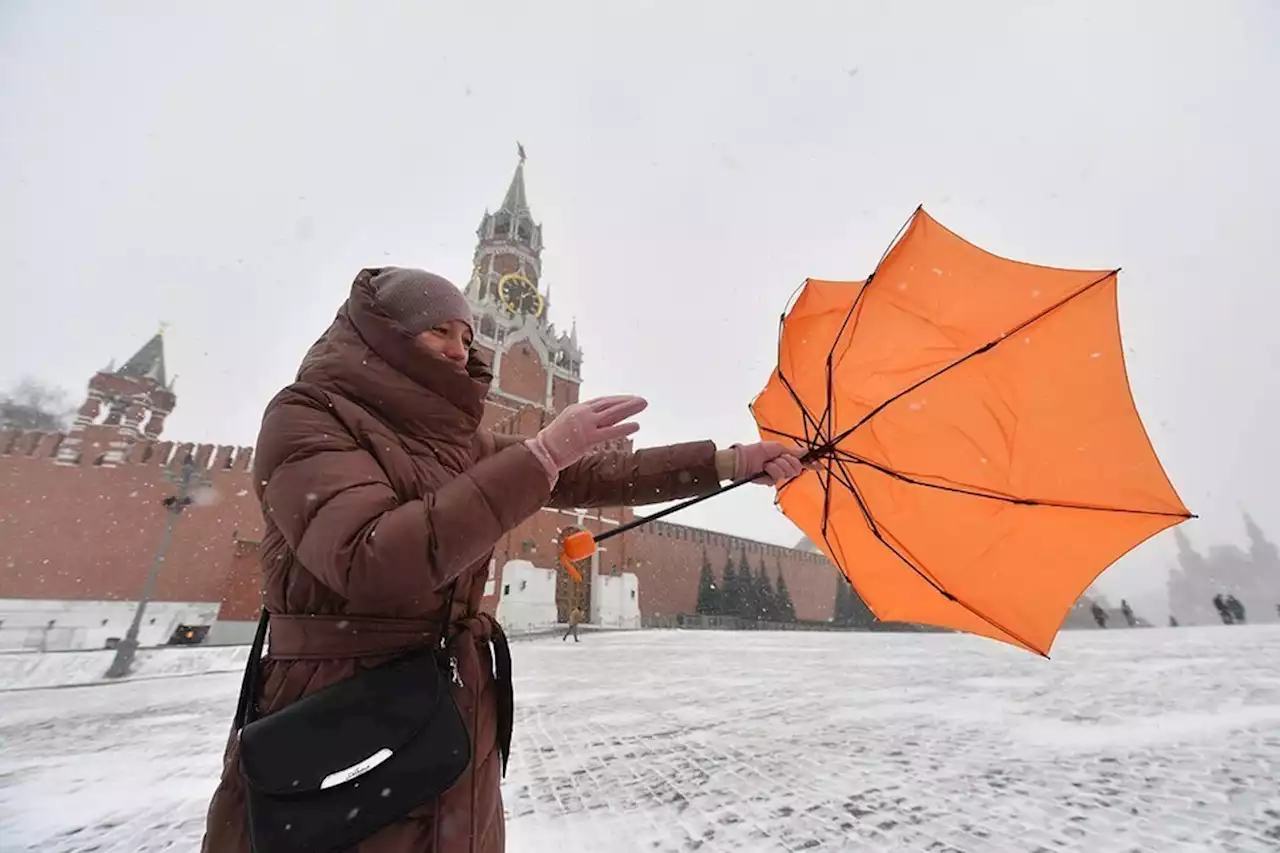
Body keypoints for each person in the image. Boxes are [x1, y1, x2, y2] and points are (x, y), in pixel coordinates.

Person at [201, 267, 807, 853]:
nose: (460, 349)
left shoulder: (453, 440)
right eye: (439, 330)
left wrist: (728, 464)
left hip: (445, 698)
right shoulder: (310, 414)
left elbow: (589, 475)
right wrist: (541, 453)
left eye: (467, 336)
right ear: (382, 331)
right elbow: (373, 563)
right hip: (339, 700)